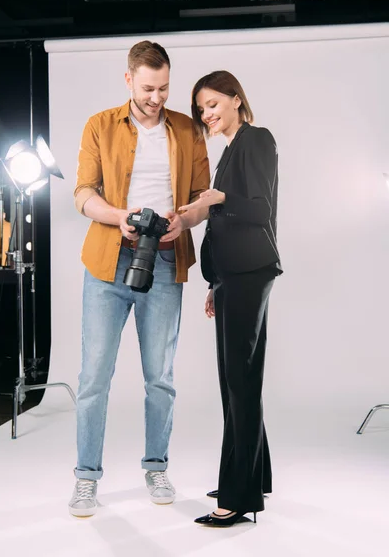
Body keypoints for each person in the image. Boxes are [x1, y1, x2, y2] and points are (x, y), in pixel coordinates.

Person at [69, 41, 210, 517]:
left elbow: (203, 197)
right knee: (93, 378)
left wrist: (184, 220)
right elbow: (82, 193)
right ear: (128, 79)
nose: (157, 97)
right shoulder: (99, 125)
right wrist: (119, 215)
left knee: (160, 379)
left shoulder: (188, 130)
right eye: (148, 87)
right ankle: (86, 478)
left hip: (167, 263)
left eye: (164, 87)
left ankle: (156, 466)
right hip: (107, 263)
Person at [179, 70, 282, 527]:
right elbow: (222, 221)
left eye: (214, 104)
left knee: (238, 380)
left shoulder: (256, 139)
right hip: (232, 276)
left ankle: (239, 498)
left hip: (250, 270)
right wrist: (212, 282)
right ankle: (250, 477)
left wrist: (219, 198)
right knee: (236, 379)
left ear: (236, 99)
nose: (207, 114)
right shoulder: (228, 152)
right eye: (202, 109)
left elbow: (260, 209)